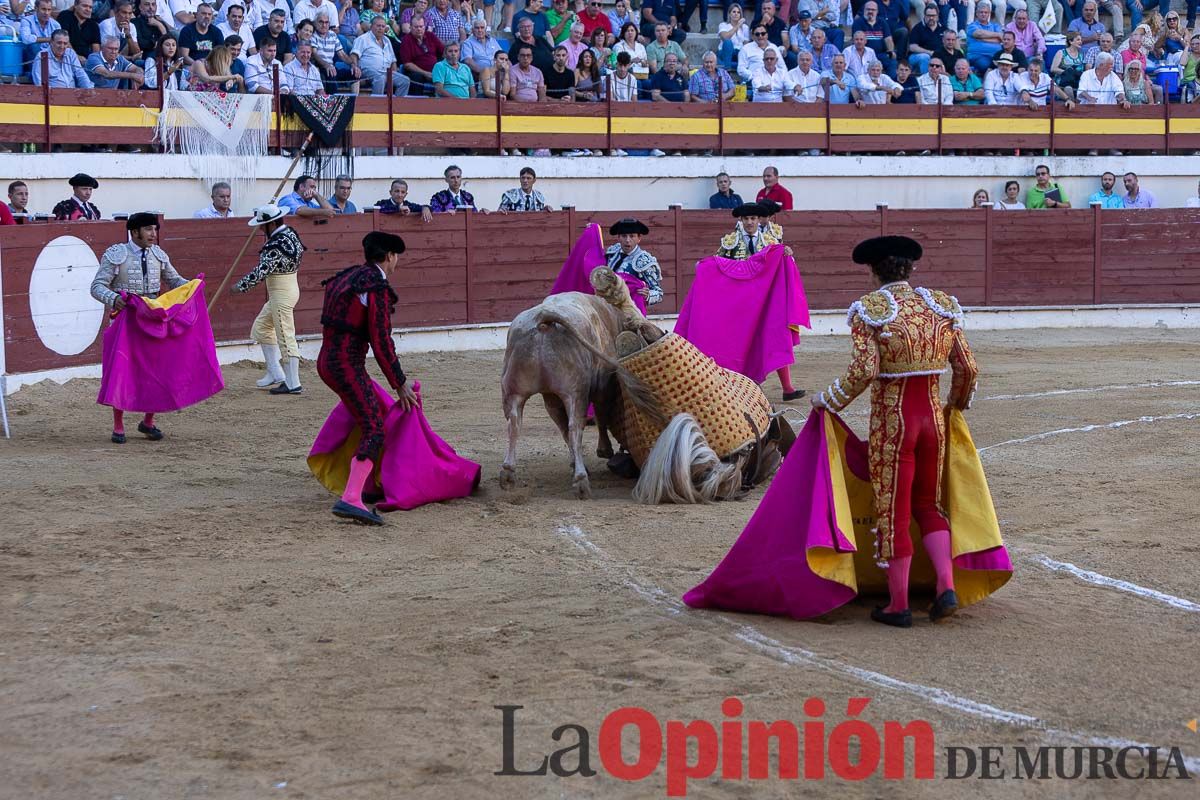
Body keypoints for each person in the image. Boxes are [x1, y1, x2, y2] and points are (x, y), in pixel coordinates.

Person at [811, 235, 979, 627]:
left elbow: (864, 372)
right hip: (932, 421)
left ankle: (898, 605)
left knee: (894, 511)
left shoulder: (872, 310)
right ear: (911, 268)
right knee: (928, 504)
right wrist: (955, 406)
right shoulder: (941, 306)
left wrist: (828, 401)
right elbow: (968, 369)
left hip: (894, 424)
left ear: (872, 271)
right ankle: (945, 587)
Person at [316, 231, 418, 525]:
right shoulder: (375, 286)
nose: (396, 262)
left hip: (328, 361)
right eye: (396, 257)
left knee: (369, 416)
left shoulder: (348, 277)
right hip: (346, 366)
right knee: (374, 426)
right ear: (389, 256)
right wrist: (399, 382)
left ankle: (367, 485)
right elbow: (381, 340)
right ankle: (350, 498)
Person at [90, 212, 189, 443]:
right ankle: (118, 424)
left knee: (156, 371)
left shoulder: (159, 255)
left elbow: (174, 281)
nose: (153, 234)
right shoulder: (117, 254)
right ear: (134, 232)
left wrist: (192, 285)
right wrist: (114, 299)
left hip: (153, 319)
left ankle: (148, 422)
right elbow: (96, 287)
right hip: (125, 318)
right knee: (122, 371)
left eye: (155, 229)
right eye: (148, 229)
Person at [234, 204, 307, 393]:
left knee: (285, 336)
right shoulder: (290, 233)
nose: (260, 228)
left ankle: (293, 383)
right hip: (286, 290)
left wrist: (241, 286)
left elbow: (262, 271)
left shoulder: (276, 244)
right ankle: (276, 373)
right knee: (262, 327)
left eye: (263, 224)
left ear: (272, 224)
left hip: (281, 294)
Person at [605, 218, 663, 306]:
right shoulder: (611, 253)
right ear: (619, 237)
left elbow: (658, 293)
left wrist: (648, 295)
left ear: (639, 238)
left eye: (632, 236)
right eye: (624, 236)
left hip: (631, 311)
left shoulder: (644, 261)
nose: (627, 240)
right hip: (609, 307)